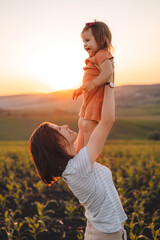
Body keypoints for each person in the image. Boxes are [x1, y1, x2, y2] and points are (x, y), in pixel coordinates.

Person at [29, 79, 127, 239]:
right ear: (56, 145)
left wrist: (89, 88)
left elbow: (83, 124)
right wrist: (108, 82)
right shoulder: (76, 168)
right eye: (59, 129)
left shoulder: (74, 160)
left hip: (108, 230)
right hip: (106, 235)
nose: (65, 126)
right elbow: (107, 121)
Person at [72, 21, 114, 153]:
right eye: (83, 41)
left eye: (88, 40)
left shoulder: (102, 54)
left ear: (101, 40)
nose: (84, 44)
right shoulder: (96, 57)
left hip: (96, 99)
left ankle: (87, 156)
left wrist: (95, 84)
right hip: (88, 99)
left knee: (88, 126)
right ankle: (79, 154)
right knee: (81, 124)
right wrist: (81, 89)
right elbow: (89, 79)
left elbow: (108, 72)